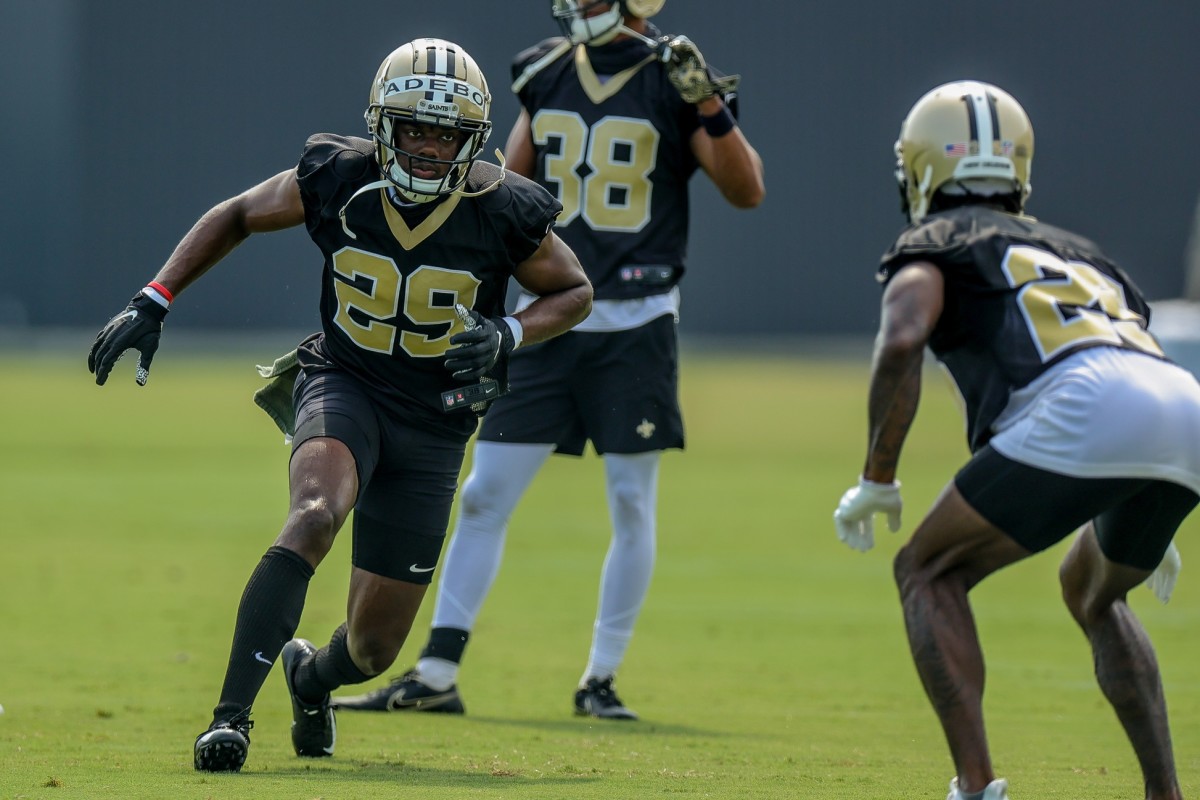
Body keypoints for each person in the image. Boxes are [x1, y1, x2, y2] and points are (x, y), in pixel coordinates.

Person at [87, 38, 592, 773]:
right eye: (413, 127)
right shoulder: (339, 175)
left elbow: (574, 290)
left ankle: (309, 676)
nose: (426, 147)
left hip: (437, 418)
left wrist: (510, 330)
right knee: (315, 513)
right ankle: (228, 721)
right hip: (346, 382)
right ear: (381, 125)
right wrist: (155, 298)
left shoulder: (502, 207)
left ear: (471, 139)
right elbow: (236, 213)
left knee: (373, 649)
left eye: (444, 133)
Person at [332, 0, 764, 720]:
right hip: (547, 321)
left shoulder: (674, 77)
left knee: (630, 499)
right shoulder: (545, 70)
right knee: (484, 492)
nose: (575, 8)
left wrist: (710, 105)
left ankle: (600, 679)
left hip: (637, 317)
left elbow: (745, 190)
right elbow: (504, 186)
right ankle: (436, 671)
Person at [832, 79, 1198, 800]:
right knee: (1090, 592)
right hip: (1183, 405)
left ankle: (975, 786)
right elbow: (1134, 360)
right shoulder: (1086, 254)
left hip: (1088, 405)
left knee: (928, 571)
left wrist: (878, 475)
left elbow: (904, 336)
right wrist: (1146, 493)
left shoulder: (934, 239)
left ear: (924, 165)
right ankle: (1167, 794)